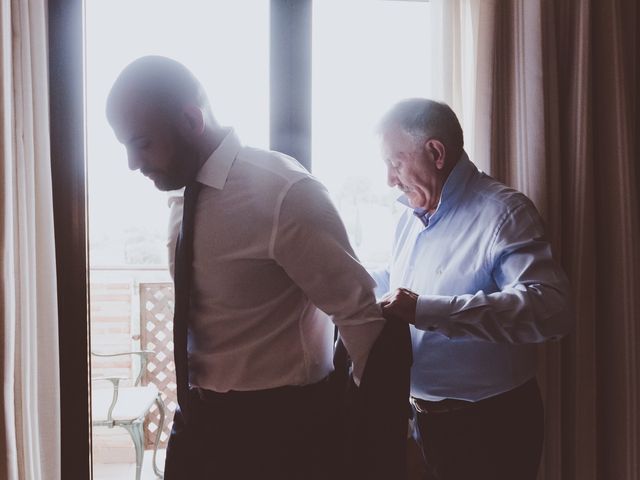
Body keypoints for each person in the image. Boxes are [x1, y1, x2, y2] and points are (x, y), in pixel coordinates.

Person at [105, 56, 388, 479]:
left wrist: (371, 439)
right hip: (199, 419)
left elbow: (359, 314)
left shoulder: (284, 192)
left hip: (285, 430)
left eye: (143, 143)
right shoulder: (183, 197)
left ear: (190, 120)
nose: (132, 163)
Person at [372, 98, 573, 480]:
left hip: (490, 426)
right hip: (423, 422)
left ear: (434, 152)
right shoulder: (410, 218)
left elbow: (552, 308)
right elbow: (398, 282)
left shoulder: (504, 213)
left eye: (395, 163)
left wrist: (427, 310)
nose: (390, 180)